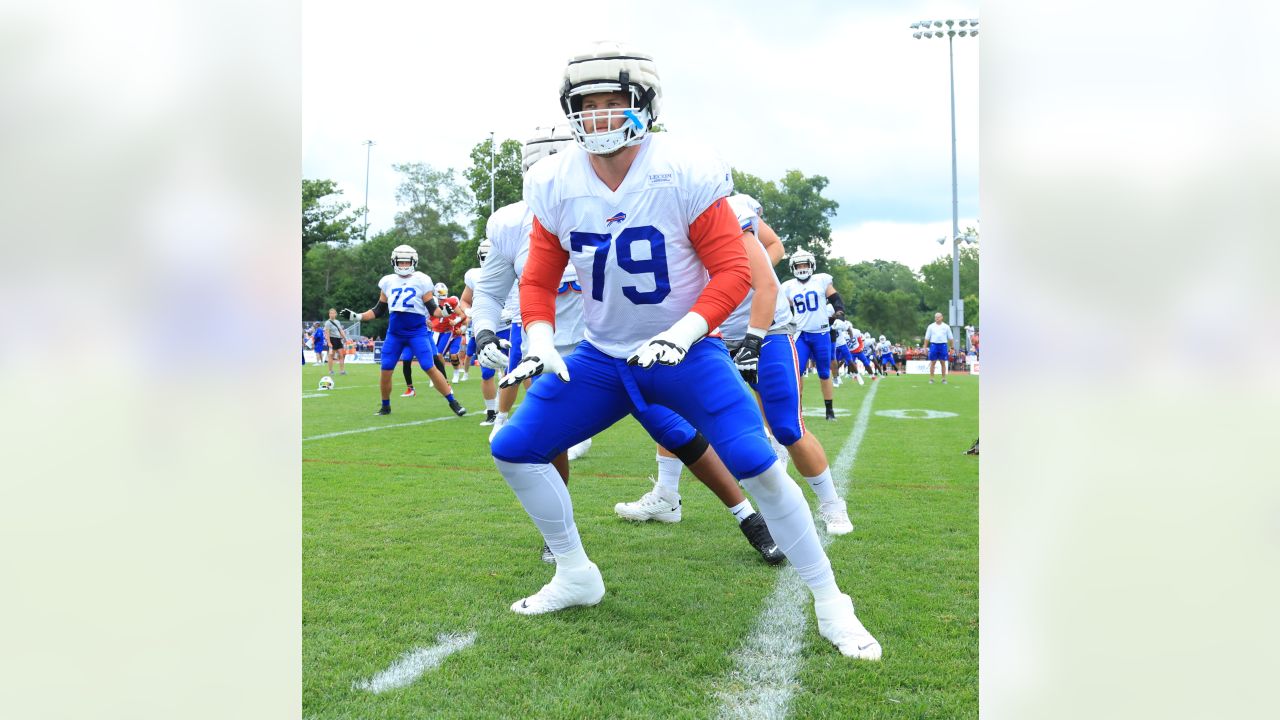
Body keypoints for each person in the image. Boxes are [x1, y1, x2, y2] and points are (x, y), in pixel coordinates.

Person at [486, 42, 879, 659]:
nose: (597, 116)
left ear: (643, 105)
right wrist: (537, 334)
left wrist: (685, 332)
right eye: (585, 105)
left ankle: (831, 600)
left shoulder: (684, 168)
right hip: (602, 355)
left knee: (758, 464)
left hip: (683, 351)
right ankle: (574, 573)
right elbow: (536, 278)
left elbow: (733, 269)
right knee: (512, 446)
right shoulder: (554, 181)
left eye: (612, 102)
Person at [473, 127, 782, 565]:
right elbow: (488, 291)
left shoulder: (626, 199)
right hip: (554, 350)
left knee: (676, 432)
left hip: (619, 349)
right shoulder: (511, 222)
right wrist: (485, 332)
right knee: (541, 442)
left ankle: (749, 516)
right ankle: (559, 537)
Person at [343, 245, 466, 417]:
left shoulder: (422, 280)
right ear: (394, 261)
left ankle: (453, 402)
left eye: (406, 261)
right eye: (400, 262)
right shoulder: (387, 281)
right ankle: (385, 406)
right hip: (395, 333)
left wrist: (444, 312)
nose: (402, 265)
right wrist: (357, 316)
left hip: (417, 332)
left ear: (413, 261)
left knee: (429, 366)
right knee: (386, 368)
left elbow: (433, 310)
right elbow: (378, 310)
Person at [779, 250, 845, 420]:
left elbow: (836, 300)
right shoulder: (788, 286)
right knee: (796, 372)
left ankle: (829, 410)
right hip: (800, 334)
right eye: (798, 265)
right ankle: (797, 411)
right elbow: (782, 309)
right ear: (793, 267)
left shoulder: (821, 280)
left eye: (804, 264)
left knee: (824, 372)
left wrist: (840, 315)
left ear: (811, 265)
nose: (802, 268)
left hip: (821, 333)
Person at [924, 312, 954, 384]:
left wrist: (952, 348)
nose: (937, 318)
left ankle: (944, 379)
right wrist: (925, 347)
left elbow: (951, 338)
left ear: (942, 317)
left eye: (938, 317)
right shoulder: (931, 326)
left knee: (943, 362)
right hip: (933, 345)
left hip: (943, 345)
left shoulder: (946, 327)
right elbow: (927, 338)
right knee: (933, 362)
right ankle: (931, 378)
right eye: (936, 317)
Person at [323, 308, 348, 376]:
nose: (332, 314)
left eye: (333, 313)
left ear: (336, 314)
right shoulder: (327, 322)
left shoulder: (337, 322)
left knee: (341, 355)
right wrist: (329, 342)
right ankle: (330, 371)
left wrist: (345, 338)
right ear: (329, 314)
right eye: (331, 313)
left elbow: (340, 330)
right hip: (332, 339)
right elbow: (327, 333)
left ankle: (342, 371)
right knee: (331, 356)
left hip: (338, 339)